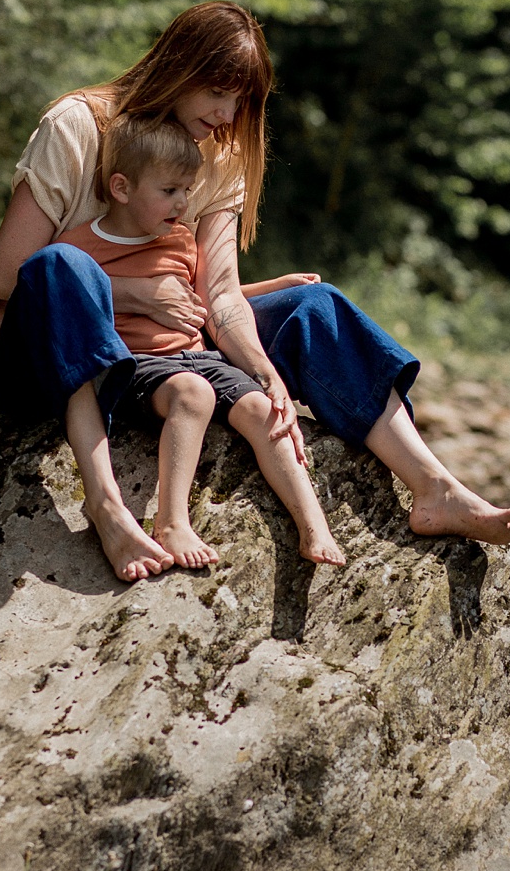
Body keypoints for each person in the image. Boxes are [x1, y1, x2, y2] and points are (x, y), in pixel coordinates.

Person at [0, 0, 510, 582]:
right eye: (217, 92)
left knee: (315, 306)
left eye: (241, 101)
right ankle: (106, 506)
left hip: (162, 358)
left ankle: (432, 488)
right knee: (62, 269)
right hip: (47, 360)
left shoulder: (222, 153)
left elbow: (222, 293)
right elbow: (6, 278)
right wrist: (134, 294)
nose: (228, 116)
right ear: (177, 69)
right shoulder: (78, 125)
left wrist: (265, 372)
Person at [67, 113, 345, 570]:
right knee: (193, 394)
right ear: (121, 188)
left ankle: (312, 523)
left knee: (264, 407)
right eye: (169, 191)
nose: (182, 203)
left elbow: (207, 298)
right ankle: (172, 521)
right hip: (142, 365)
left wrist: (273, 285)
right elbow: (32, 300)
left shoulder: (179, 239)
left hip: (199, 354)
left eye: (188, 191)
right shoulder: (80, 248)